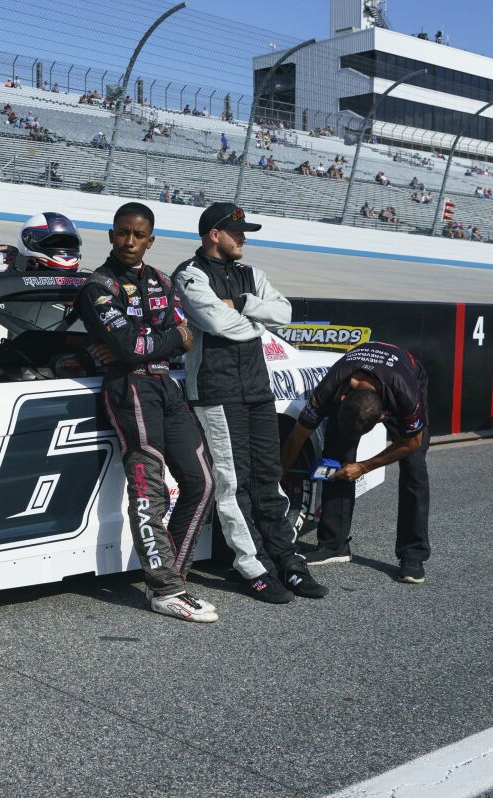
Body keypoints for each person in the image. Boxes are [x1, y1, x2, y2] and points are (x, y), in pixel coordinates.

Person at [172, 203, 327, 603]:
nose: (244, 238)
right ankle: (251, 567)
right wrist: (255, 321)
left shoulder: (251, 275)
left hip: (258, 388)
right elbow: (219, 326)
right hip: (215, 391)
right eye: (236, 232)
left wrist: (241, 304)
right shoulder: (189, 276)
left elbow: (284, 312)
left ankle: (287, 560)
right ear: (213, 235)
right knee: (233, 482)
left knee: (268, 478)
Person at [76, 203, 215, 622]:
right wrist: (168, 336)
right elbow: (130, 348)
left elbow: (184, 337)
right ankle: (165, 587)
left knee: (203, 481)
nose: (130, 242)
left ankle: (173, 575)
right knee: (149, 485)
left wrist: (159, 338)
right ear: (112, 235)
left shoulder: (160, 279)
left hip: (165, 386)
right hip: (130, 387)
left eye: (138, 236)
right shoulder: (97, 287)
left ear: (150, 240)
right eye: (123, 233)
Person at [281, 342, 430, 583]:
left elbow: (412, 442)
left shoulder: (404, 393)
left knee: (414, 466)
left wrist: (364, 466)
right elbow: (298, 434)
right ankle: (334, 544)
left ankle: (412, 554)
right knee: (335, 456)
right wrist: (279, 475)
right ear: (343, 398)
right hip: (357, 376)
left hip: (407, 370)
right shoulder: (331, 386)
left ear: (383, 416)